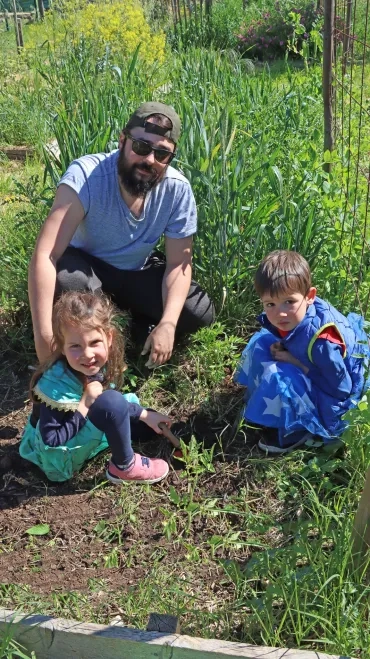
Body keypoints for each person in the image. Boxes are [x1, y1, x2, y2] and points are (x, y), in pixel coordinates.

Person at [28, 101, 215, 369]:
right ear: (122, 141)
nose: (149, 160)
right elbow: (46, 254)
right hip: (86, 267)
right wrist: (43, 335)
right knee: (68, 282)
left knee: (198, 312)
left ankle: (130, 326)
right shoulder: (86, 175)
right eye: (141, 147)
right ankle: (103, 331)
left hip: (136, 270)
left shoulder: (177, 190)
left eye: (162, 154)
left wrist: (169, 323)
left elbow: (178, 265)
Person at [20, 291, 172, 483]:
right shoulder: (55, 387)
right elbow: (51, 441)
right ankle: (124, 467)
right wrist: (85, 404)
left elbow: (105, 399)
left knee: (142, 425)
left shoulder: (91, 367)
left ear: (108, 338)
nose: (87, 354)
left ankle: (129, 429)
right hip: (57, 457)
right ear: (62, 346)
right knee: (112, 402)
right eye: (75, 346)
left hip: (78, 428)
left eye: (94, 343)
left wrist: (143, 414)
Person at [235, 250, 370, 455]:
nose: (280, 313)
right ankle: (265, 406)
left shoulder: (323, 344)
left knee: (279, 376)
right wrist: (285, 345)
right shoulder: (295, 315)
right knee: (261, 344)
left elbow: (341, 389)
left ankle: (298, 430)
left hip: (334, 395)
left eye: (289, 302)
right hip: (317, 364)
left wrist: (295, 361)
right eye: (270, 304)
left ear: (310, 296)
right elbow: (298, 334)